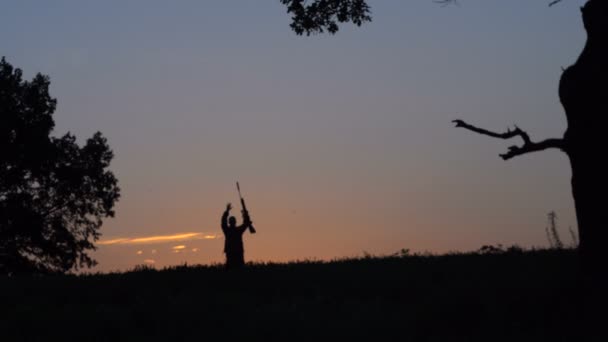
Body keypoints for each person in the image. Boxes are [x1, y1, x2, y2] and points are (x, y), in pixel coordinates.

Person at [221, 203, 252, 269]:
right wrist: (245, 214)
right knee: (238, 267)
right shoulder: (238, 230)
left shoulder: (227, 230)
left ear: (229, 222)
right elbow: (246, 223)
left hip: (233, 252)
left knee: (231, 268)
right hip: (236, 251)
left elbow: (223, 222)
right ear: (235, 222)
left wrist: (227, 211)